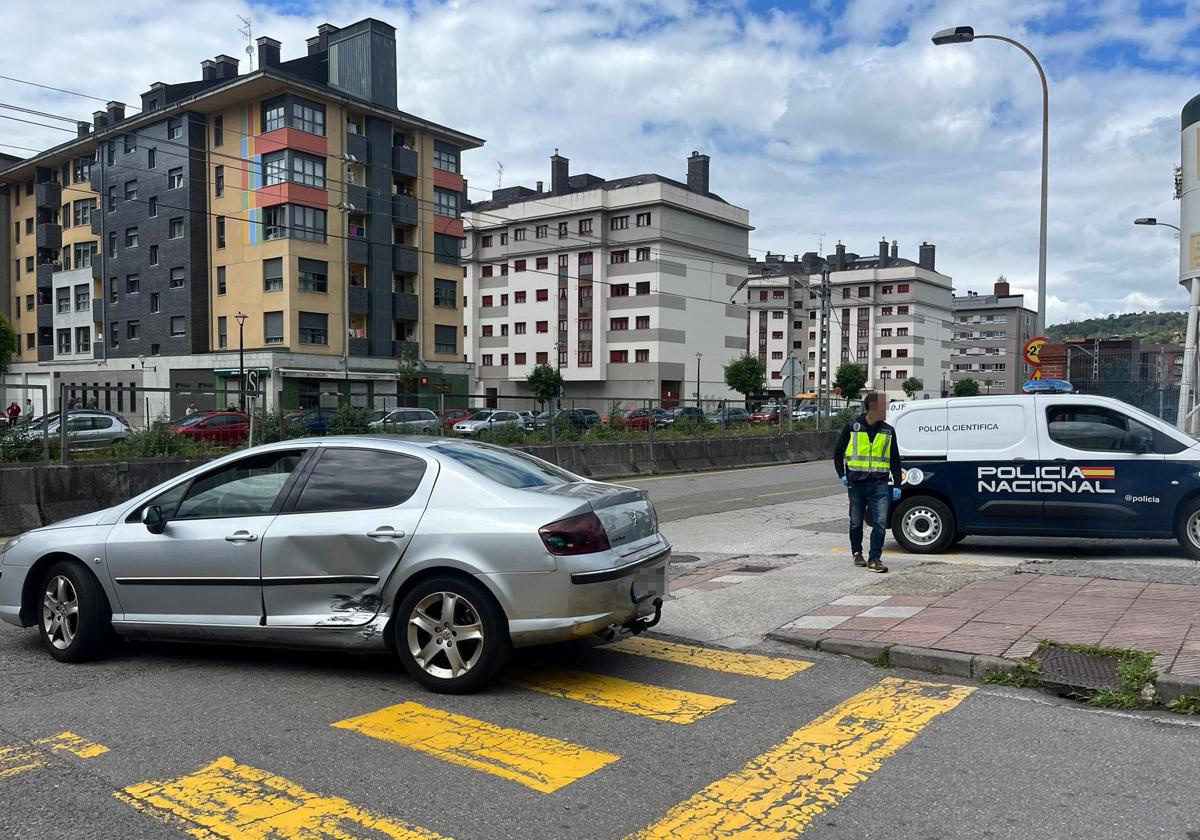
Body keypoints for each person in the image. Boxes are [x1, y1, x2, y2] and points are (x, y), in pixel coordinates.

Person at [833, 391, 903, 574]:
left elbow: (895, 460)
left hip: (879, 483)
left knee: (879, 522)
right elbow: (838, 452)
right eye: (882, 407)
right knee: (856, 521)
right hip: (856, 484)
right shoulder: (852, 427)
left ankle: (874, 559)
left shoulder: (888, 430)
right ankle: (857, 553)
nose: (885, 410)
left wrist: (897, 484)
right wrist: (842, 474)